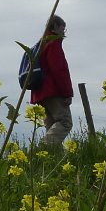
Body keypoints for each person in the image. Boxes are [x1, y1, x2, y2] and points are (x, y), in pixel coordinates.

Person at [30, 15, 74, 146]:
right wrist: (67, 93)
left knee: (51, 126)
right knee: (65, 122)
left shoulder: (41, 44)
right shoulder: (53, 44)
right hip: (53, 91)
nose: (63, 32)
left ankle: (49, 159)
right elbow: (59, 70)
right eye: (62, 28)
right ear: (54, 27)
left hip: (41, 92)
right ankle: (42, 149)